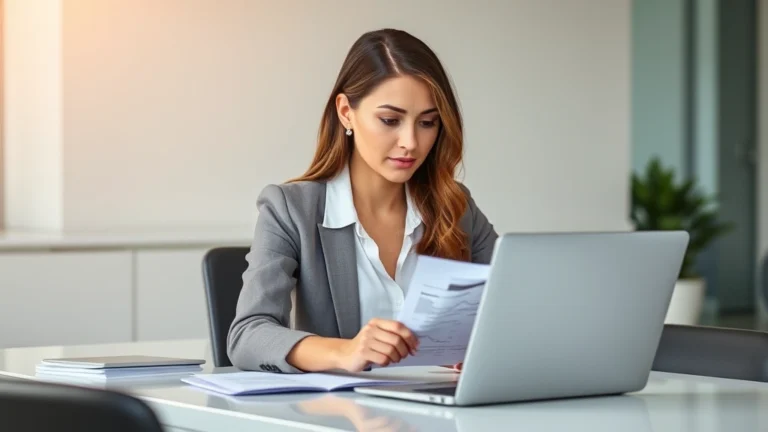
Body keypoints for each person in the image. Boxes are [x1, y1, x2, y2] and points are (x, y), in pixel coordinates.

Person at [227, 28, 498, 374]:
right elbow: (248, 335)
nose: (410, 142)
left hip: (441, 403)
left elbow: (513, 308)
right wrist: (345, 351)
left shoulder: (456, 208)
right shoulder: (291, 209)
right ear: (346, 112)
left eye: (427, 122)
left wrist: (479, 347)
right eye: (390, 120)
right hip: (341, 407)